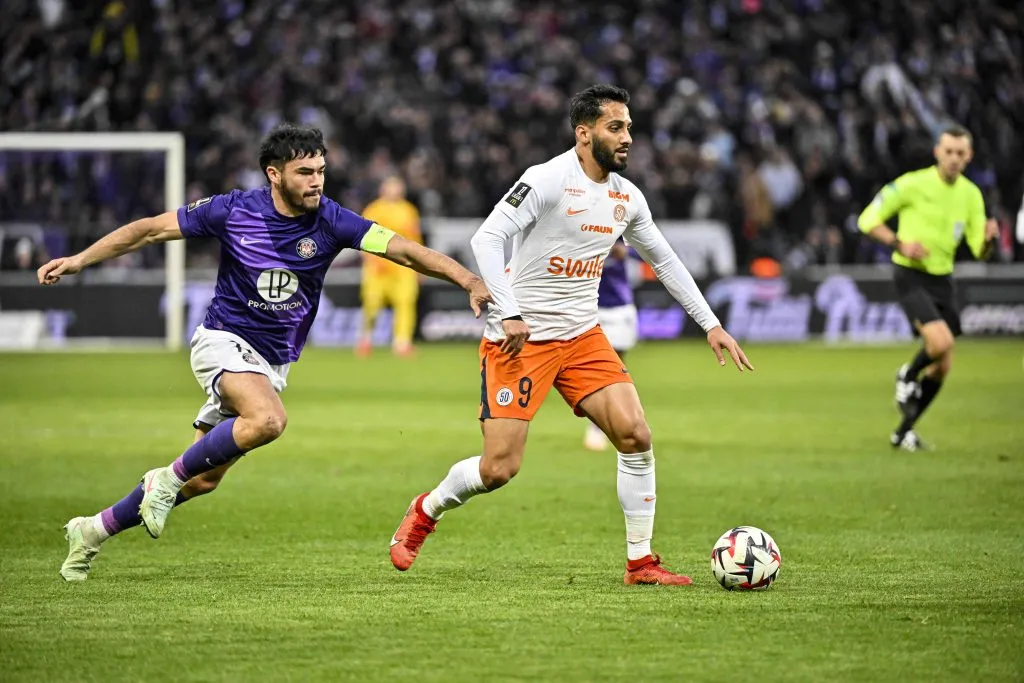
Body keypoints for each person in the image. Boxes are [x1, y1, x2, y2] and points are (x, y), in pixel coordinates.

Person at [39, 123, 491, 581]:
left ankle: (92, 530)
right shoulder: (233, 210)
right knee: (268, 420)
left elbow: (407, 253)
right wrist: (79, 260)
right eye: (303, 172)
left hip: (270, 363)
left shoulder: (333, 220)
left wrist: (468, 280)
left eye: (320, 170)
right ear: (274, 175)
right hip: (222, 341)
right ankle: (165, 479)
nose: (316, 181)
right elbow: (149, 231)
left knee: (203, 479)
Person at [388, 85, 753, 586]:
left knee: (635, 434)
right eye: (615, 127)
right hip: (520, 340)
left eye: (628, 127)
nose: (627, 137)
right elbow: (487, 238)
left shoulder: (626, 196)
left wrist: (710, 324)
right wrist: (510, 310)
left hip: (582, 337)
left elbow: (664, 260)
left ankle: (640, 563)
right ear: (584, 134)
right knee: (499, 469)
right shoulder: (547, 180)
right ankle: (426, 509)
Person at [857, 125, 998, 452]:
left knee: (943, 363)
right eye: (948, 151)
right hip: (909, 274)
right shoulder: (912, 184)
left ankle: (903, 432)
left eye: (960, 153)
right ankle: (906, 375)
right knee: (941, 341)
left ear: (969, 157)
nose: (953, 158)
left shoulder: (971, 195)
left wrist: (989, 240)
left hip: (942, 280)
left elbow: (979, 250)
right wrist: (898, 243)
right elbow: (867, 219)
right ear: (937, 152)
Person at [357, 175, 423, 357]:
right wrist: (369, 259)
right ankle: (366, 339)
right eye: (391, 186)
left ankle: (402, 343)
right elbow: (361, 238)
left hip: (403, 267)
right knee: (371, 304)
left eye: (398, 187)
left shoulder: (409, 210)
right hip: (378, 267)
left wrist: (419, 267)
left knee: (406, 303)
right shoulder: (374, 209)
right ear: (383, 189)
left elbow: (415, 239)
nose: (395, 190)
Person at [584, 238, 640, 451]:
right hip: (589, 307)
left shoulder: (621, 229)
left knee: (617, 368)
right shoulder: (585, 228)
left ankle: (617, 422)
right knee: (595, 369)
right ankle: (596, 427)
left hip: (619, 308)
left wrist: (625, 252)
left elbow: (648, 250)